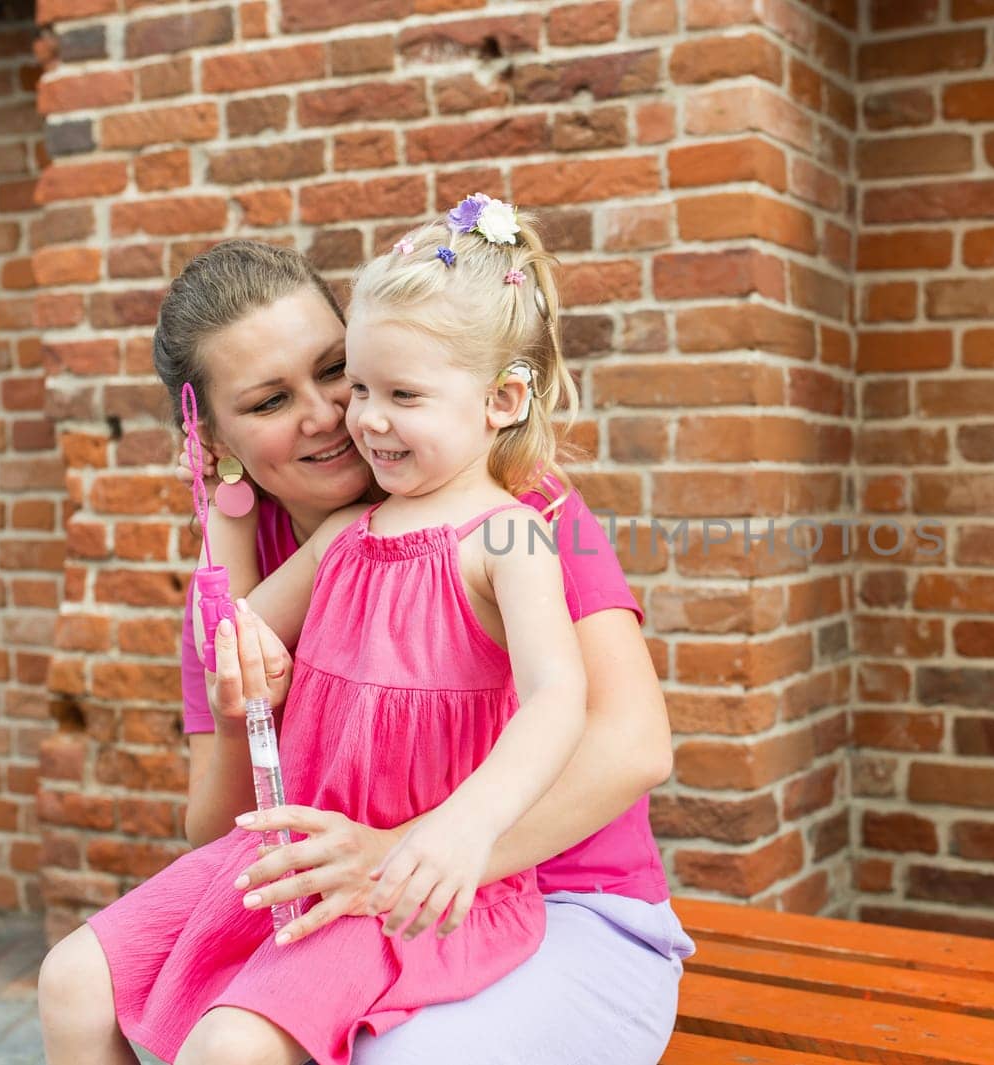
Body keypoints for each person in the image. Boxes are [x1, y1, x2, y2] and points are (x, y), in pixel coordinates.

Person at [38, 202, 692, 1065]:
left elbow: (632, 743)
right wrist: (230, 550)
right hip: (341, 890)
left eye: (339, 369)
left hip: (550, 895)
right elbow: (219, 817)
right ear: (216, 445)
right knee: (86, 983)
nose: (337, 412)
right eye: (271, 400)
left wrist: (400, 854)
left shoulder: (516, 506)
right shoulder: (320, 550)